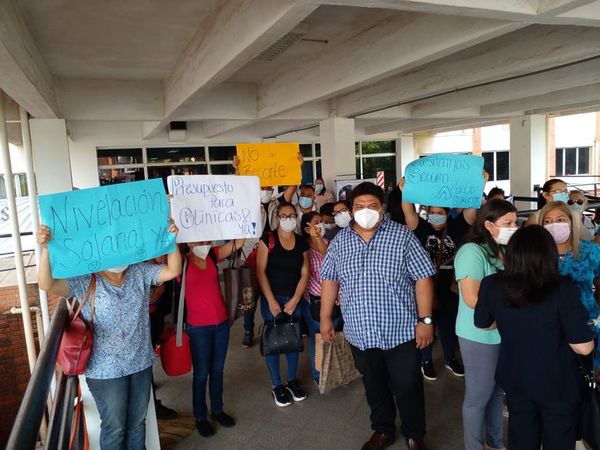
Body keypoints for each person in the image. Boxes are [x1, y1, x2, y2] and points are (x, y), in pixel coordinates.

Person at [36, 223, 182, 450]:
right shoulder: (86, 279)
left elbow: (173, 270)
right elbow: (47, 284)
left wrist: (171, 240)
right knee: (115, 428)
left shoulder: (138, 271)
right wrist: (45, 248)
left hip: (140, 362)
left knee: (137, 424)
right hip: (105, 371)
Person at [320, 182, 436, 450]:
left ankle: (414, 434)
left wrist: (425, 320)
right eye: (359, 207)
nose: (366, 211)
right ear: (351, 210)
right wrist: (326, 317)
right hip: (360, 333)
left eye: (372, 206)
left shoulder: (402, 236)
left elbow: (423, 279)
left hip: (401, 331)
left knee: (408, 386)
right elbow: (330, 281)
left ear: (382, 208)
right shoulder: (339, 242)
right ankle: (383, 430)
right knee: (374, 386)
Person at [475, 225, 595, 450]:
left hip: (516, 378)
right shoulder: (562, 289)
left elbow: (483, 323)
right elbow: (584, 348)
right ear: (549, 255)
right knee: (559, 438)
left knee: (521, 436)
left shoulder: (492, 285)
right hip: (558, 383)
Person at [398, 178, 477, 380]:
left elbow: (470, 210)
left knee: (448, 323)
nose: (435, 216)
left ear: (447, 214)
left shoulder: (457, 228)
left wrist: (476, 183)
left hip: (450, 284)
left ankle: (450, 358)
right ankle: (425, 361)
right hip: (425, 283)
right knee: (426, 322)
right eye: (432, 212)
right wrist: (405, 192)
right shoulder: (421, 227)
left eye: (440, 213)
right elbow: (409, 211)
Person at [454, 199, 518, 450]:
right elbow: (472, 299)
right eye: (508, 223)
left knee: (497, 393)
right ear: (489, 224)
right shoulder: (472, 252)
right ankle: (474, 446)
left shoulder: (503, 250)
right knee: (478, 396)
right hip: (479, 335)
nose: (514, 227)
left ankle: (495, 442)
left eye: (515, 222)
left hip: (504, 333)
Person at [183, 238, 244, 437]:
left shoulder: (211, 254)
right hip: (198, 328)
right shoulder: (181, 261)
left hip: (221, 323)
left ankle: (217, 410)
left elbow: (239, 242)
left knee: (217, 370)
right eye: (197, 239)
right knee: (201, 373)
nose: (203, 242)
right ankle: (200, 416)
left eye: (206, 238)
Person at [256, 202, 310, 407]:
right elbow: (260, 271)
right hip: (273, 299)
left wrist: (295, 300)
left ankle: (292, 380)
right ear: (277, 217)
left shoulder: (300, 242)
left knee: (293, 343)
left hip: (294, 300)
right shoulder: (267, 240)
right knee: (273, 343)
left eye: (291, 215)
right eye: (283, 215)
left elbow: (306, 272)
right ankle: (277, 385)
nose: (288, 219)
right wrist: (271, 301)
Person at [537, 201, 600, 352]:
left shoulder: (591, 251)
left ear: (571, 222)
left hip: (587, 323)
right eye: (548, 221)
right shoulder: (536, 255)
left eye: (560, 220)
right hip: (548, 326)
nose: (554, 225)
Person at [299, 211, 342, 385]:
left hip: (335, 298)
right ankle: (318, 373)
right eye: (315, 223)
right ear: (306, 227)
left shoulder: (328, 242)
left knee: (336, 334)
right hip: (315, 299)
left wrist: (318, 239)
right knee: (317, 337)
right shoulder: (303, 248)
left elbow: (331, 261)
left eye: (321, 222)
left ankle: (336, 368)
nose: (320, 226)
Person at [148, 255, 178, 420]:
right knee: (145, 360)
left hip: (155, 314)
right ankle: (152, 404)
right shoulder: (140, 264)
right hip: (143, 319)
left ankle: (150, 391)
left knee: (149, 357)